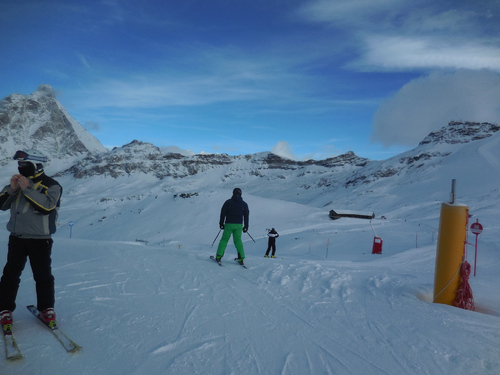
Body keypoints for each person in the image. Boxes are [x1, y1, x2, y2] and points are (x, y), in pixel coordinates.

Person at [0, 150, 62, 328]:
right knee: (10, 275)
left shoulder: (52, 185)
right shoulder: (19, 184)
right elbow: (1, 205)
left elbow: (47, 207)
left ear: (36, 165)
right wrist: (12, 190)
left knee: (43, 276)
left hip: (40, 239)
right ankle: (4, 309)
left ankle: (46, 309)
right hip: (17, 237)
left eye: (24, 165)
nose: (20, 168)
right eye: (19, 165)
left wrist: (27, 188)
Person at [215, 188, 249, 265]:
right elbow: (246, 216)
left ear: (233, 193)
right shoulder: (244, 204)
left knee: (224, 240)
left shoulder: (228, 202)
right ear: (241, 194)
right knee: (238, 241)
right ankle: (241, 258)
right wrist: (246, 226)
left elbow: (223, 213)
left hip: (229, 224)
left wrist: (221, 223)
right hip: (239, 225)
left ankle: (219, 256)